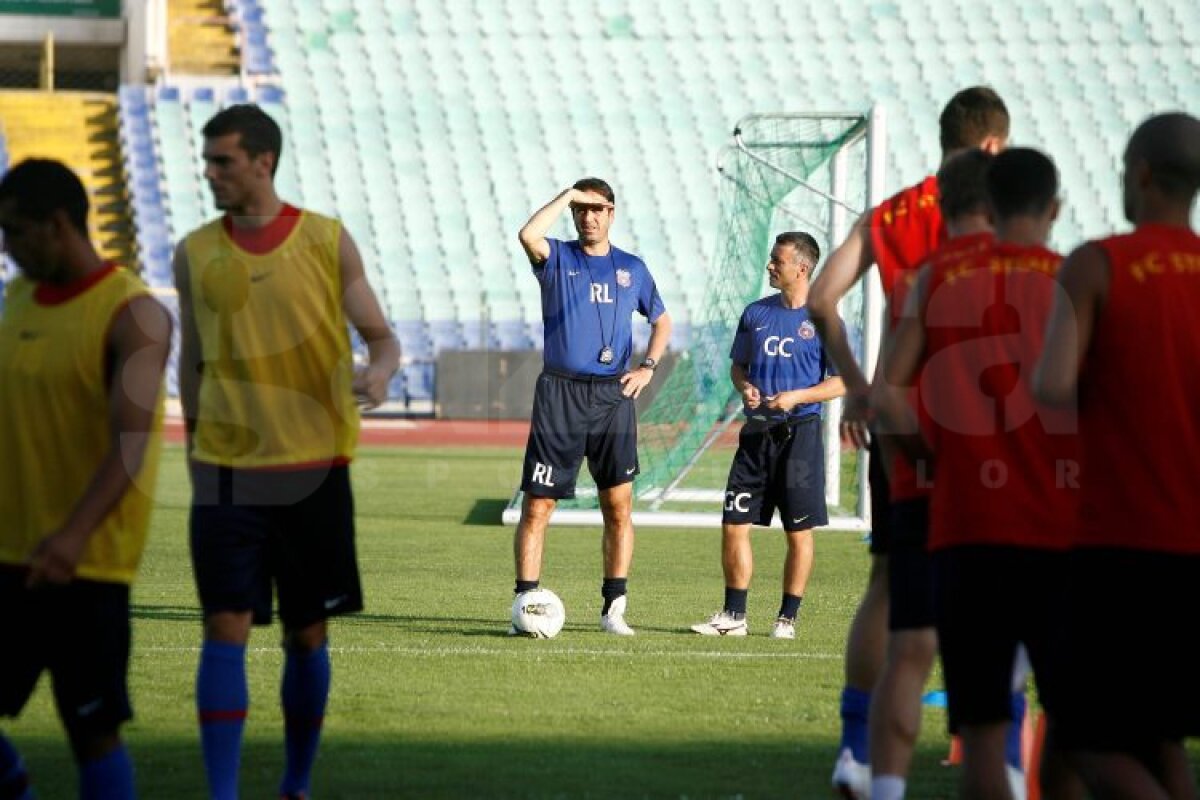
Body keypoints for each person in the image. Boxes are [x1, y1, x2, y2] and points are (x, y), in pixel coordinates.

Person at [173, 105, 400, 800]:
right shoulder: (193, 252)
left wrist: (381, 375)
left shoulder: (328, 242)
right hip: (227, 476)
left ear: (262, 163)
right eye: (208, 161)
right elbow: (191, 365)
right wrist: (194, 456)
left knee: (307, 635)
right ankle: (223, 793)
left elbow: (381, 339)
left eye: (223, 161)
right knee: (225, 626)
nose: (210, 173)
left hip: (313, 475)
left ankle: (295, 785)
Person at [807, 87, 1010, 796]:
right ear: (991, 146)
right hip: (983, 430)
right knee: (997, 591)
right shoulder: (999, 214)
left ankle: (856, 751)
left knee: (890, 586)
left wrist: (861, 387)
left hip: (901, 423)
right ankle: (996, 753)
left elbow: (819, 299)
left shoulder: (889, 214)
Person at [876, 147, 1084, 800]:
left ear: (985, 205)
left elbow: (886, 397)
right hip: (1059, 529)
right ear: (1053, 209)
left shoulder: (938, 275)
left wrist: (931, 456)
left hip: (967, 528)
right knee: (1074, 724)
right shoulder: (1074, 279)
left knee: (984, 732)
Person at [1034, 112, 1200, 798]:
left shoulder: (1099, 264)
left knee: (1084, 735)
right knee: (1160, 739)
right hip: (1193, 548)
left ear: (1140, 175)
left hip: (1115, 542)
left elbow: (1050, 388)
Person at [0, 159, 171, 799]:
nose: (6, 247)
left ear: (58, 224)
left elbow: (131, 443)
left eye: (15, 232)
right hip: (8, 553)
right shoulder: (16, 297)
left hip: (86, 565)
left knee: (92, 731)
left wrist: (73, 536)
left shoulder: (136, 315)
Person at [514, 177, 671, 636]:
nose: (588, 216)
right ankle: (524, 604)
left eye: (597, 209)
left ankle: (613, 610)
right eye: (581, 209)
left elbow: (662, 321)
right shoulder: (557, 257)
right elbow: (527, 235)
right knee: (538, 506)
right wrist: (565, 195)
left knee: (618, 507)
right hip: (560, 395)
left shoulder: (632, 268)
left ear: (611, 213)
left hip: (612, 398)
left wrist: (648, 366)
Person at [689, 232, 843, 639]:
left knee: (799, 531)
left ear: (802, 268)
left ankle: (786, 619)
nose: (770, 265)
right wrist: (745, 387)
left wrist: (798, 396)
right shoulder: (755, 313)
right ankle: (733, 616)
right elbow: (738, 367)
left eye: (778, 260)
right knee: (733, 522)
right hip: (755, 435)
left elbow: (844, 382)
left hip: (801, 437)